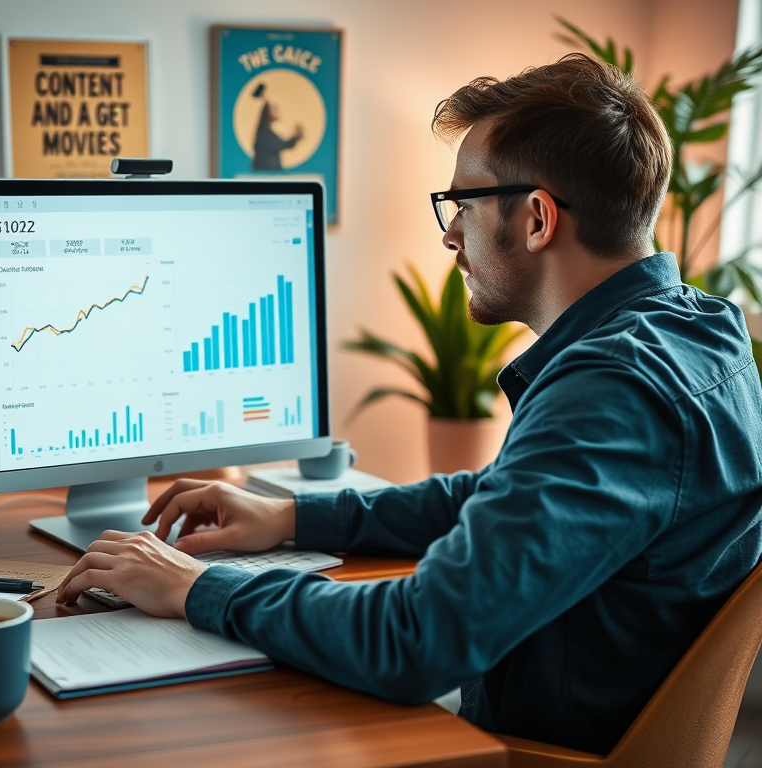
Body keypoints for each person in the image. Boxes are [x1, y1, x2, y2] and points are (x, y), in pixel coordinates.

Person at [58, 53, 762, 755]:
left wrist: (196, 587)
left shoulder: (611, 389)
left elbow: (417, 638)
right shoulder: (702, 330)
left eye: (462, 203)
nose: (450, 233)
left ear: (538, 219)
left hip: (527, 753)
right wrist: (295, 515)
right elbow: (508, 497)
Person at [250, 82, 304, 170]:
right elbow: (283, 144)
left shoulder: (268, 132)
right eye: (273, 109)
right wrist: (296, 136)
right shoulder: (265, 134)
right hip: (265, 173)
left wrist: (296, 136)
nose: (277, 111)